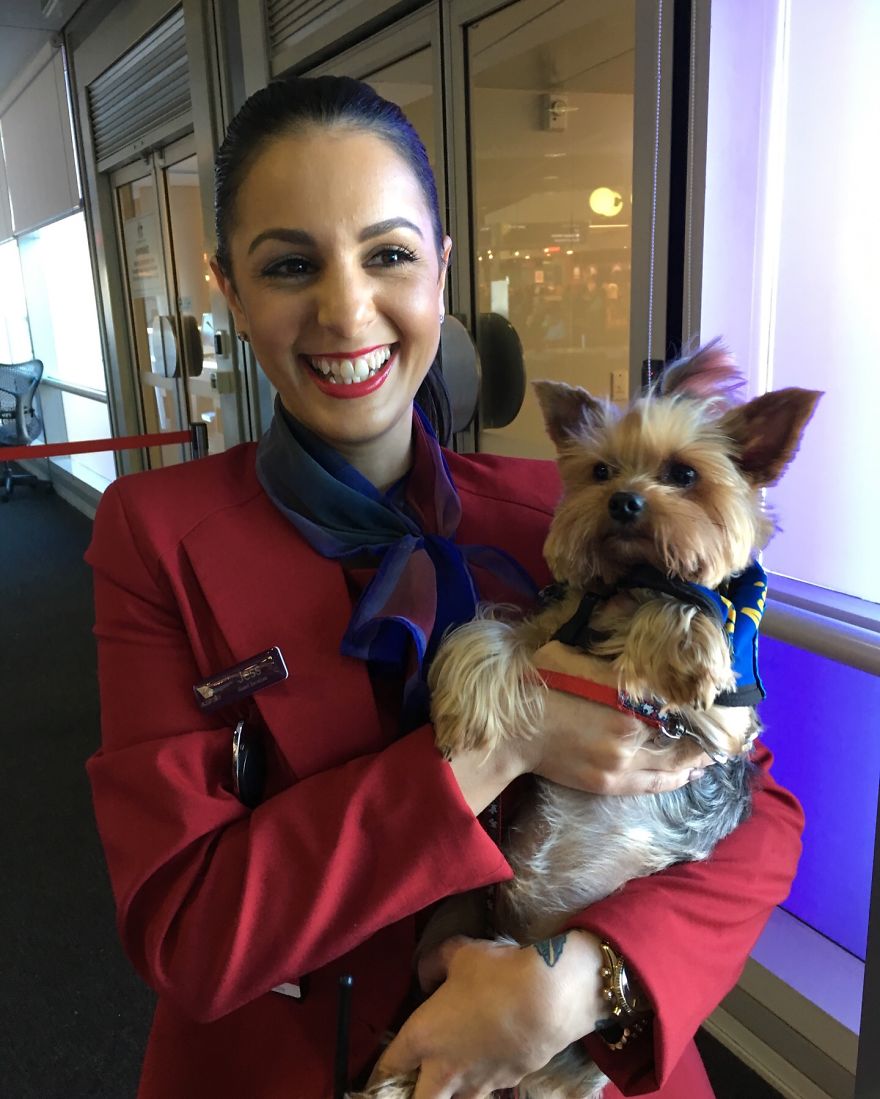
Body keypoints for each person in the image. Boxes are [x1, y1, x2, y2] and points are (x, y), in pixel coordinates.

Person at [86, 75, 803, 1099]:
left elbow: (758, 807)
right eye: (289, 264)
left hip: (582, 1056)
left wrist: (582, 982)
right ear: (229, 289)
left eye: (388, 255)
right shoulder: (156, 534)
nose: (347, 310)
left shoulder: (564, 514)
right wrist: (504, 741)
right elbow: (186, 929)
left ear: (441, 271)